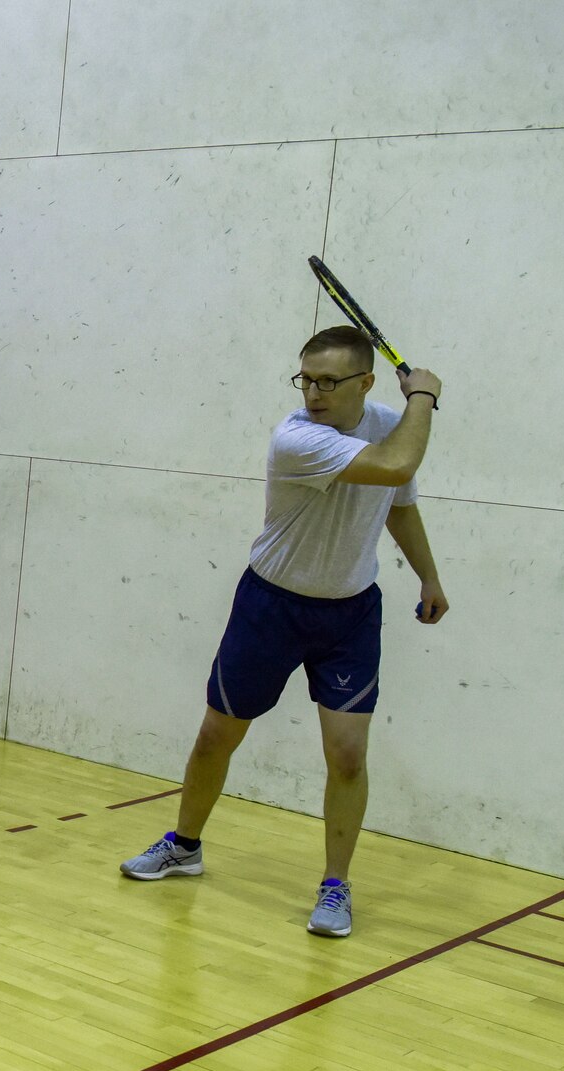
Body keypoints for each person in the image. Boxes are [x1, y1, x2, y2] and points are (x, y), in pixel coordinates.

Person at [119, 327, 448, 938]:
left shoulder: (386, 423)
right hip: (270, 606)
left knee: (347, 755)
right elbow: (397, 462)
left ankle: (335, 886)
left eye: (329, 381)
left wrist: (429, 576)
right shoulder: (297, 437)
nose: (314, 393)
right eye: (306, 380)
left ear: (366, 383)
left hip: (350, 614)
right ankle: (184, 846)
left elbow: (399, 502)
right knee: (217, 735)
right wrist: (424, 396)